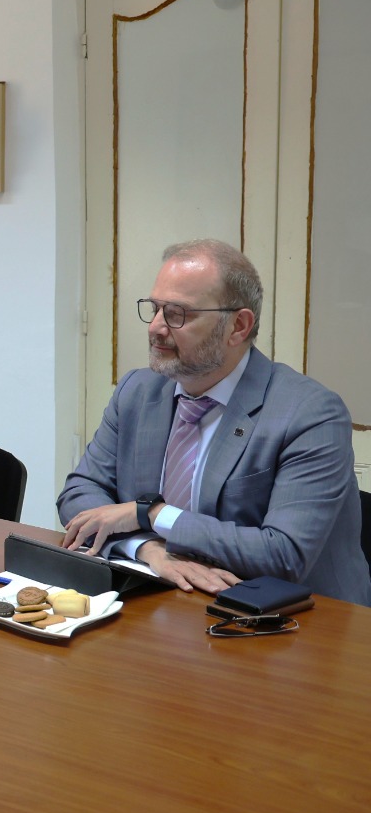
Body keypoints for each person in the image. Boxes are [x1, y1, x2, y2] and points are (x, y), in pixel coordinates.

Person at [59, 240, 369, 605]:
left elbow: (284, 554)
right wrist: (147, 548)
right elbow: (80, 495)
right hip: (172, 607)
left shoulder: (310, 413)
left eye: (177, 313)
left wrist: (152, 514)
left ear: (238, 326)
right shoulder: (137, 392)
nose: (156, 328)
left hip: (298, 623)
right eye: (154, 309)